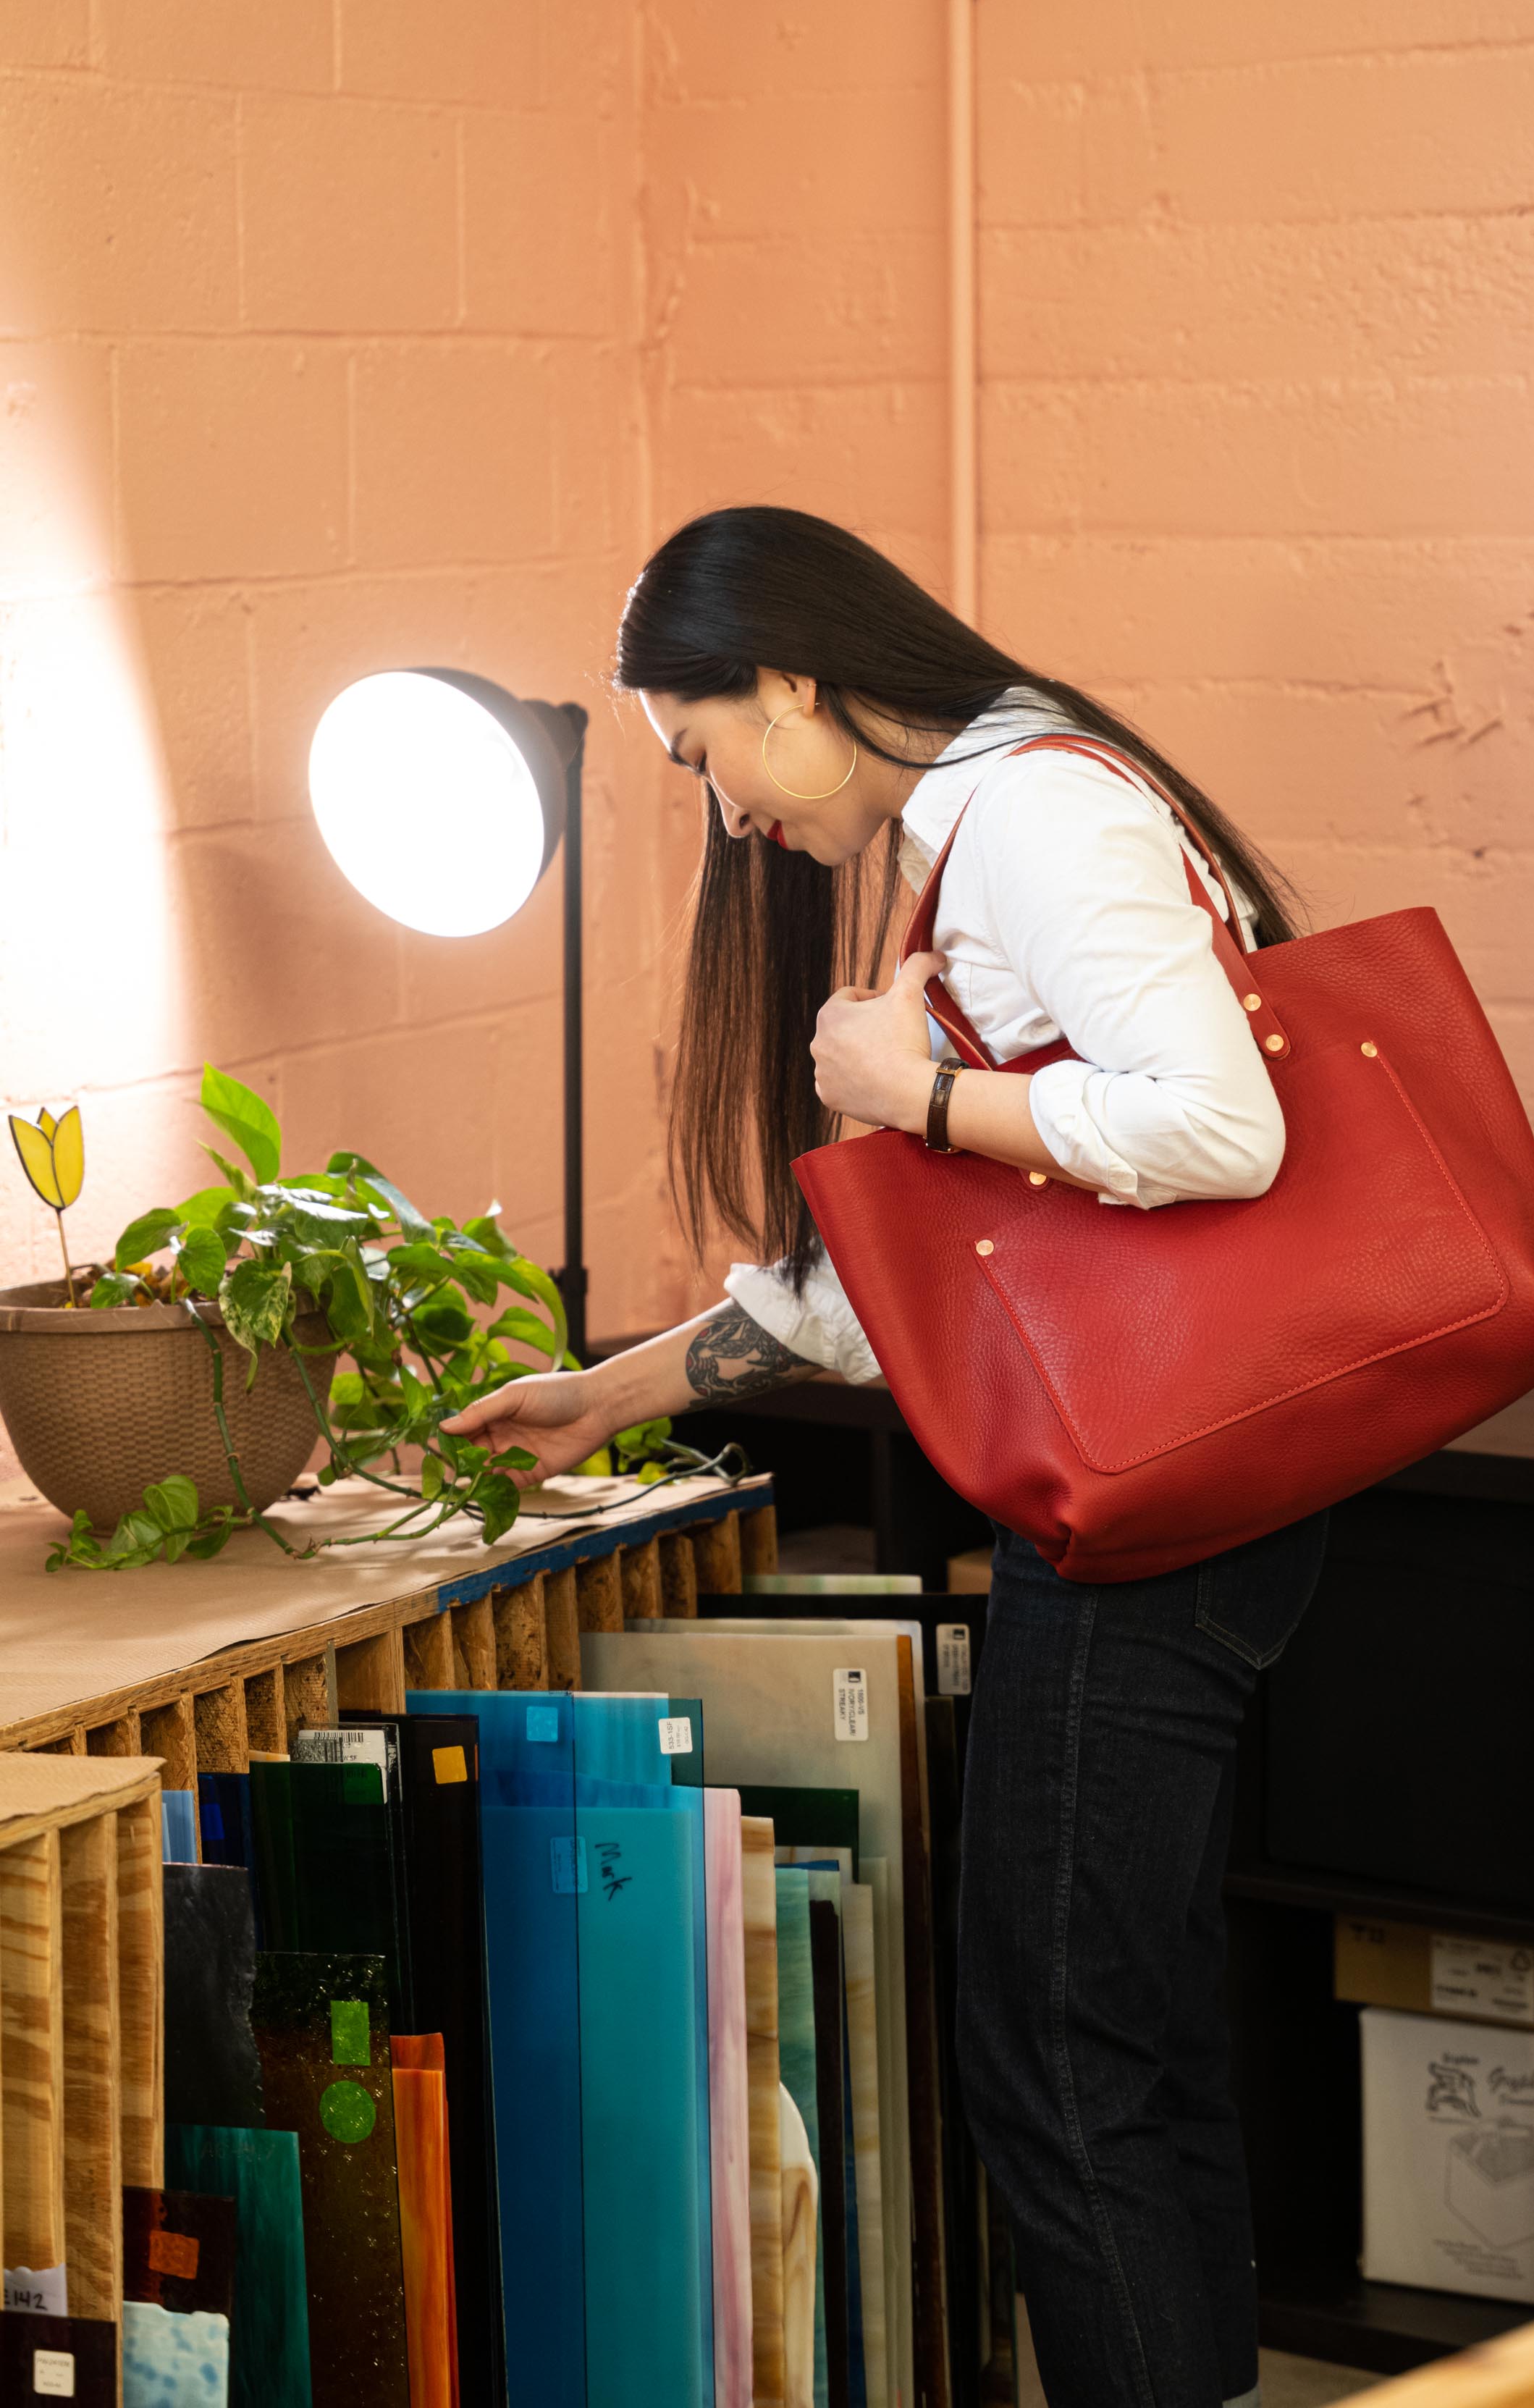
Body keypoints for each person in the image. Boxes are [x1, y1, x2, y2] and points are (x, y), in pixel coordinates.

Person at [445, 505, 1328, 2408]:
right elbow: (928, 1278)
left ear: (788, 682)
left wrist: (910, 1089)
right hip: (1166, 1494)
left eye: (705, 756)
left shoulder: (1031, 812)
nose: (729, 811)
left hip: (1150, 1511)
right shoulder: (980, 825)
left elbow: (1216, 1128)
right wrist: (622, 1389)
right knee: (1131, 2026)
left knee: (1053, 2052)